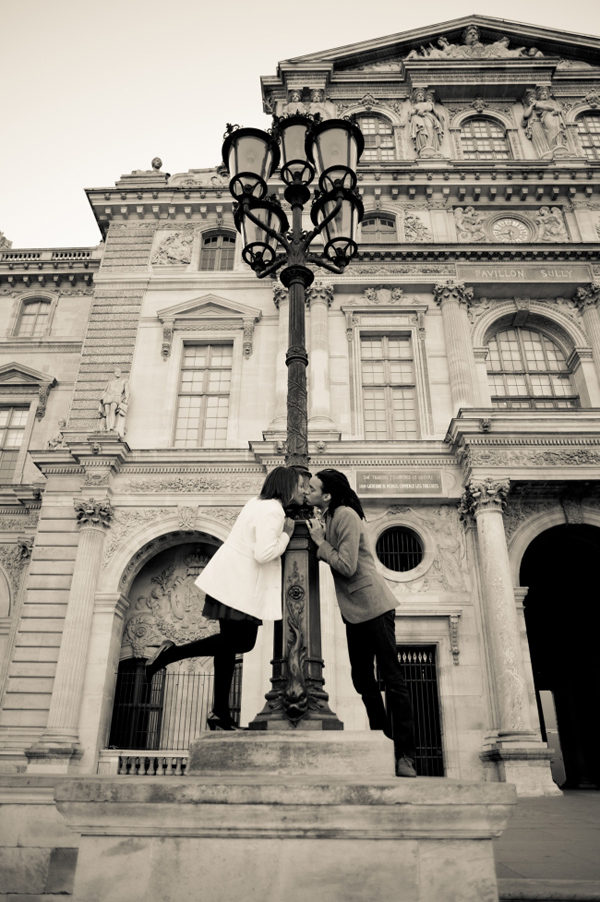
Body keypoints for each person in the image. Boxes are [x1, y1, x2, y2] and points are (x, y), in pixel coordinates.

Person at [146, 466, 304, 730]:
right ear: (287, 486)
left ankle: (220, 713)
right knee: (243, 642)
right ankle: (170, 654)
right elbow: (265, 553)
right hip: (240, 584)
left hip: (230, 579)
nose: (303, 490)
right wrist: (287, 533)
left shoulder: (256, 503)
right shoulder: (274, 510)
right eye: (300, 485)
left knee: (228, 647)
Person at [306, 469, 417, 777]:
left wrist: (319, 542)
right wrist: (319, 537)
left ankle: (405, 755)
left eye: (312, 488)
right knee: (362, 680)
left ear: (327, 495)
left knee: (393, 680)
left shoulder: (345, 516)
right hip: (355, 611)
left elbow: (346, 564)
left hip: (374, 605)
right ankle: (384, 742)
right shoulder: (328, 517)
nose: (307, 492)